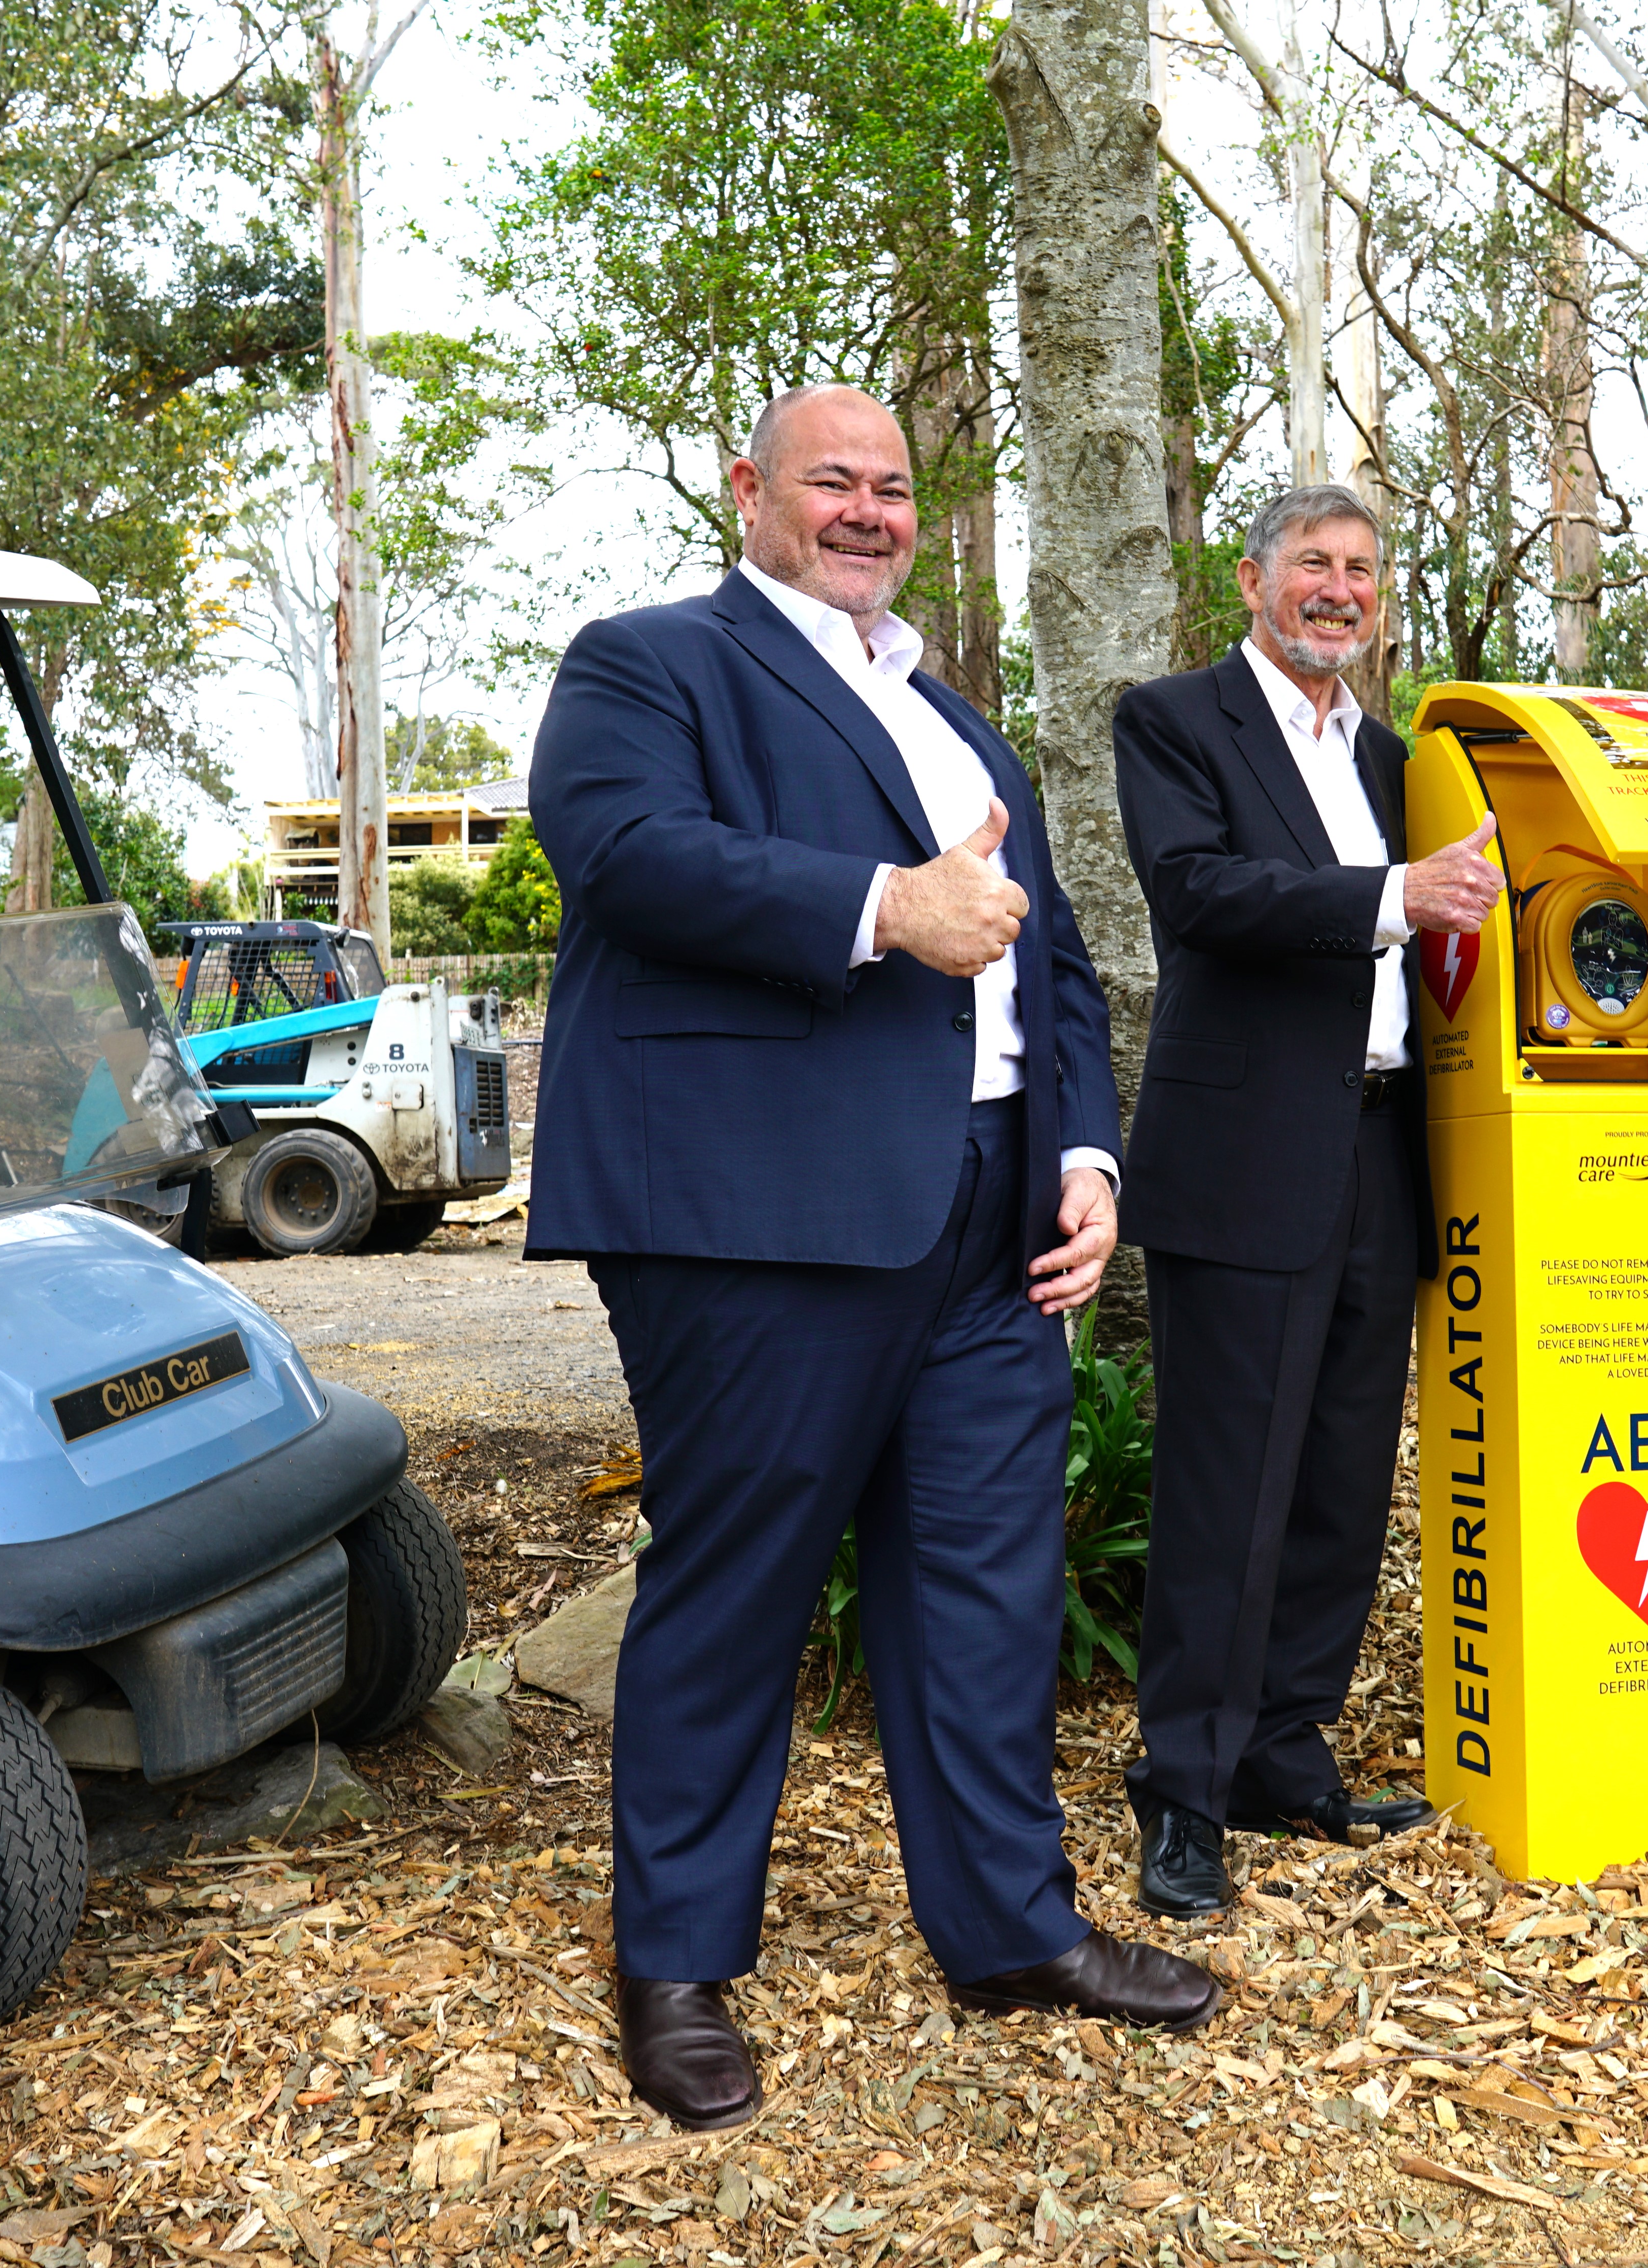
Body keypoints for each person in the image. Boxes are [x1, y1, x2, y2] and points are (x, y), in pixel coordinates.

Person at [526, 384, 1224, 2133]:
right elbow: (626, 857)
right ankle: (677, 1964)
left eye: (894, 488)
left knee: (986, 1592)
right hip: (759, 1217)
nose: (867, 511)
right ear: (748, 489)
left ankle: (1009, 1931)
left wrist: (1083, 1156)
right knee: (736, 1588)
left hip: (992, 1223)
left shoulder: (951, 713)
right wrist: (884, 909)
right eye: (831, 480)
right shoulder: (649, 664)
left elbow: (1052, 956)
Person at [1105, 485, 1503, 1917]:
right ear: (1252, 579)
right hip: (1244, 1155)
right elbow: (1200, 893)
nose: (1340, 590)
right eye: (1314, 566)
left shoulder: (1397, 758)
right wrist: (1395, 895)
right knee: (1230, 1489)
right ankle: (1184, 1788)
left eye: (1362, 571)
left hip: (1385, 1146)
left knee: (1340, 1477)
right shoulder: (1175, 720)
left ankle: (1283, 1752)